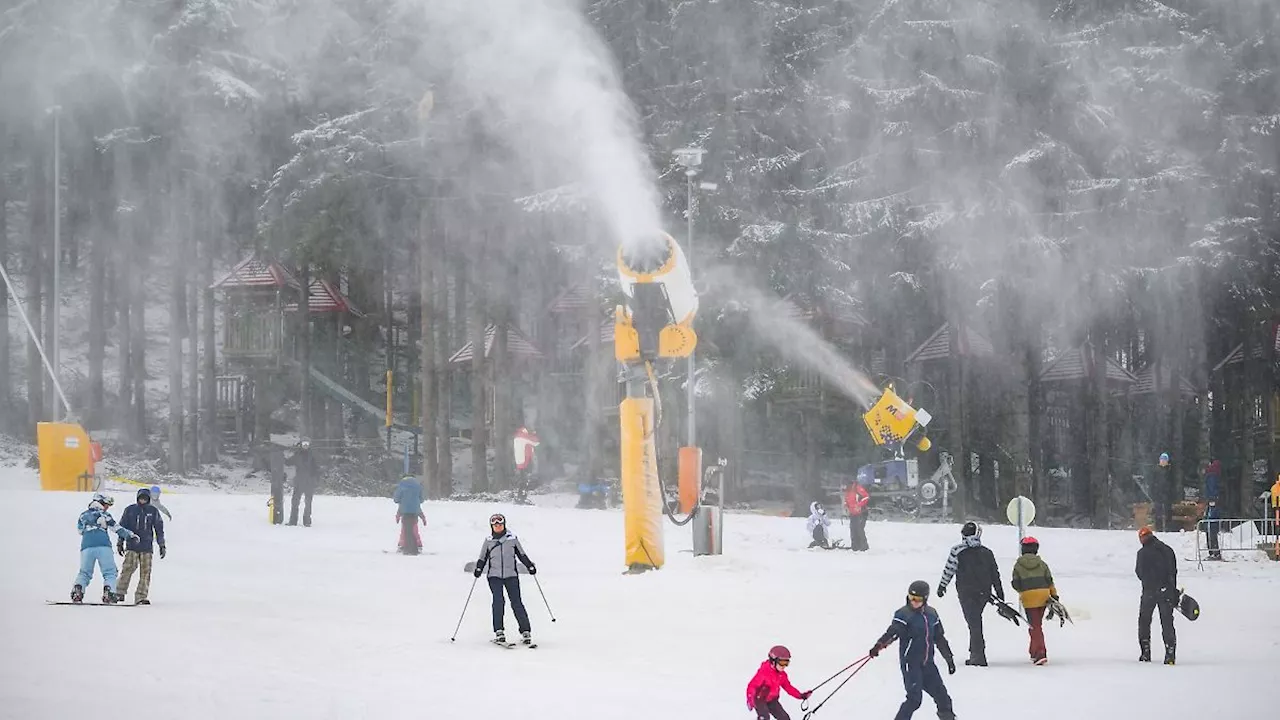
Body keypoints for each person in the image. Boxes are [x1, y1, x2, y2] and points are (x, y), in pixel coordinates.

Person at [868, 580, 956, 720]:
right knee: (914, 700)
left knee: (943, 698)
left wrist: (949, 658)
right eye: (911, 598)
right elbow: (893, 632)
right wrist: (879, 645)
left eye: (918, 599)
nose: (914, 602)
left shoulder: (932, 614)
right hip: (911, 664)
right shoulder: (903, 614)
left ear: (925, 599)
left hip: (928, 664)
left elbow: (939, 638)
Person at [936, 521, 1003, 666]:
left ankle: (978, 655)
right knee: (975, 620)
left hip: (966, 592)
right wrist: (1000, 593)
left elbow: (949, 569)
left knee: (973, 622)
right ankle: (976, 652)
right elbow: (995, 574)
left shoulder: (957, 550)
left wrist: (942, 586)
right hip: (984, 592)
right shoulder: (987, 552)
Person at [474, 513, 537, 646]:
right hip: (494, 576)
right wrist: (479, 568)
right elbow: (482, 557)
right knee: (498, 601)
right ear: (492, 526)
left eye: (500, 524)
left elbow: (521, 555)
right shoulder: (489, 540)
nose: (498, 527)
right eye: (495, 525)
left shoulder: (512, 539)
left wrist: (529, 565)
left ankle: (525, 631)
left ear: (504, 525)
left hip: (511, 575)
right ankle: (499, 630)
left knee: (516, 602)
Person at [71, 493, 137, 604]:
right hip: (103, 546)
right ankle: (109, 593)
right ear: (101, 503)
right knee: (110, 572)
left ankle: (78, 590)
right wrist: (130, 535)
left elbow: (80, 531)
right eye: (106, 505)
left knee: (84, 572)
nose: (107, 507)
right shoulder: (104, 515)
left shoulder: (83, 515)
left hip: (86, 547)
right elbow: (117, 528)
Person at [1011, 536, 1057, 665]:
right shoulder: (1042, 564)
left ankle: (1041, 653)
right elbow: (1050, 581)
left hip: (1028, 598)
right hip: (1044, 597)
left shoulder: (1018, 565)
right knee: (1036, 625)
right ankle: (1033, 651)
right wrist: (1054, 596)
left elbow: (1015, 584)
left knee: (1035, 626)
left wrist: (1023, 590)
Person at [115, 487, 167, 605]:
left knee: (145, 572)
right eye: (141, 498)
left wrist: (161, 544)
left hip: (146, 546)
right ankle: (119, 592)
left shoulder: (153, 511)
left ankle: (141, 596)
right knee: (128, 568)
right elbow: (122, 527)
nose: (142, 501)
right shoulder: (130, 510)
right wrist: (120, 542)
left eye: (145, 499)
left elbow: (159, 529)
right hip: (132, 545)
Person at [1136, 526, 1178, 664]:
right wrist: (1171, 589)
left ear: (1143, 538)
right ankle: (1170, 653)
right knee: (1167, 622)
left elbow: (1139, 572)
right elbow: (1173, 571)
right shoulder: (1168, 550)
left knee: (1144, 621)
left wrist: (1149, 582)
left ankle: (1145, 653)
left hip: (1149, 591)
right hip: (1166, 590)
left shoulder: (1142, 553)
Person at [745, 645, 811, 720]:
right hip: (760, 700)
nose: (784, 666)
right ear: (773, 661)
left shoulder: (782, 675)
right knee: (764, 717)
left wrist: (801, 695)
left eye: (786, 663)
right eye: (782, 662)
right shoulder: (764, 673)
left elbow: (788, 687)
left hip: (772, 700)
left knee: (784, 718)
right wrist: (750, 700)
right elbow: (752, 686)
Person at [286, 438, 319, 527]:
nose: (305, 445)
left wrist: (315, 480)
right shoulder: (297, 454)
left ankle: (307, 521)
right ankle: (293, 521)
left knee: (308, 502)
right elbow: (288, 462)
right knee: (295, 502)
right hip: (299, 481)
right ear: (301, 444)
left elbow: (317, 469)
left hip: (309, 481)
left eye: (307, 443)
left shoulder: (313, 455)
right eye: (304, 443)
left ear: (309, 445)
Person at [393, 475, 426, 555]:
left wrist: (403, 500)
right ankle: (418, 544)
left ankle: (402, 544)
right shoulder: (417, 485)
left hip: (404, 510)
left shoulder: (402, 485)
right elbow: (421, 499)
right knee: (414, 527)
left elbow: (396, 499)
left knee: (405, 528)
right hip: (415, 510)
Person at [843, 480, 870, 551]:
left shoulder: (857, 488)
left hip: (861, 512)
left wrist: (859, 505)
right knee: (853, 529)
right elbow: (846, 500)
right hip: (853, 513)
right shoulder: (847, 491)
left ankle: (864, 546)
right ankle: (855, 546)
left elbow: (866, 497)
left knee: (859, 528)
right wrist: (846, 506)